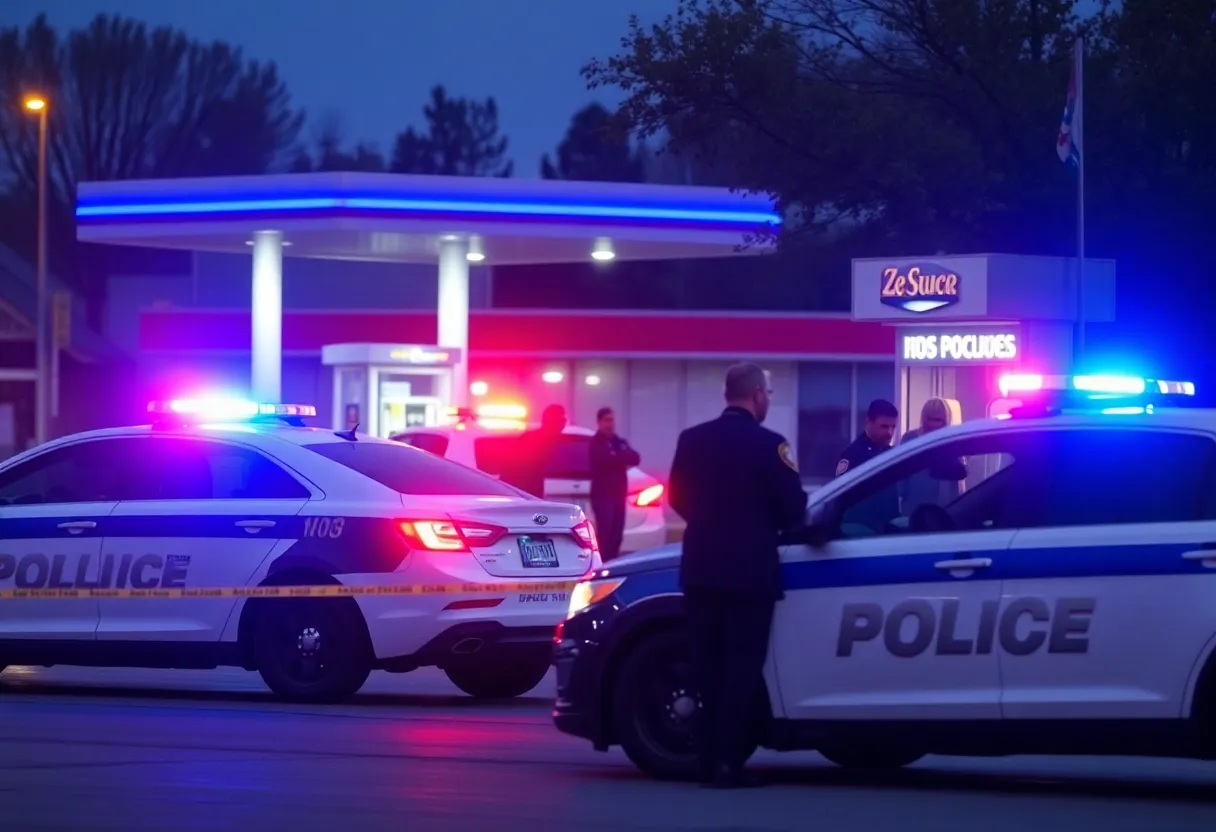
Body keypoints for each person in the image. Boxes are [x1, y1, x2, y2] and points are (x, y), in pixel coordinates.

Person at [668, 363, 808, 789]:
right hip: (750, 573)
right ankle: (729, 762)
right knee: (741, 669)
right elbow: (793, 508)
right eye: (767, 394)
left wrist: (709, 523)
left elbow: (677, 497)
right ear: (757, 395)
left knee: (705, 667)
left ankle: (704, 759)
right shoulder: (772, 445)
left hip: (701, 569)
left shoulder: (692, 440)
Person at [835, 399, 899, 534]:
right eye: (884, 426)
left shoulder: (892, 454)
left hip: (888, 531)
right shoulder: (853, 455)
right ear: (868, 422)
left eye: (893, 427)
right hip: (861, 532)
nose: (889, 433)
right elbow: (841, 497)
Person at [898, 397, 968, 514]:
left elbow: (960, 474)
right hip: (916, 502)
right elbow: (901, 471)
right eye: (930, 419)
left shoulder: (952, 440)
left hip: (946, 503)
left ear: (946, 419)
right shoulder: (910, 439)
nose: (934, 424)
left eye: (938, 420)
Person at [588, 407, 639, 562]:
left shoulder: (619, 442)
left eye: (612, 420)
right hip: (603, 496)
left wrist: (617, 456)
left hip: (618, 495)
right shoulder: (596, 443)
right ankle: (601, 566)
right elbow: (604, 460)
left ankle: (613, 565)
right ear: (599, 422)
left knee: (616, 536)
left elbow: (635, 458)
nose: (610, 424)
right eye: (607, 420)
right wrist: (621, 457)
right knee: (605, 535)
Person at [502, 404, 567, 498]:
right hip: (526, 491)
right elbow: (513, 465)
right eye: (560, 420)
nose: (563, 423)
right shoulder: (530, 439)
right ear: (549, 421)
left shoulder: (563, 442)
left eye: (564, 420)